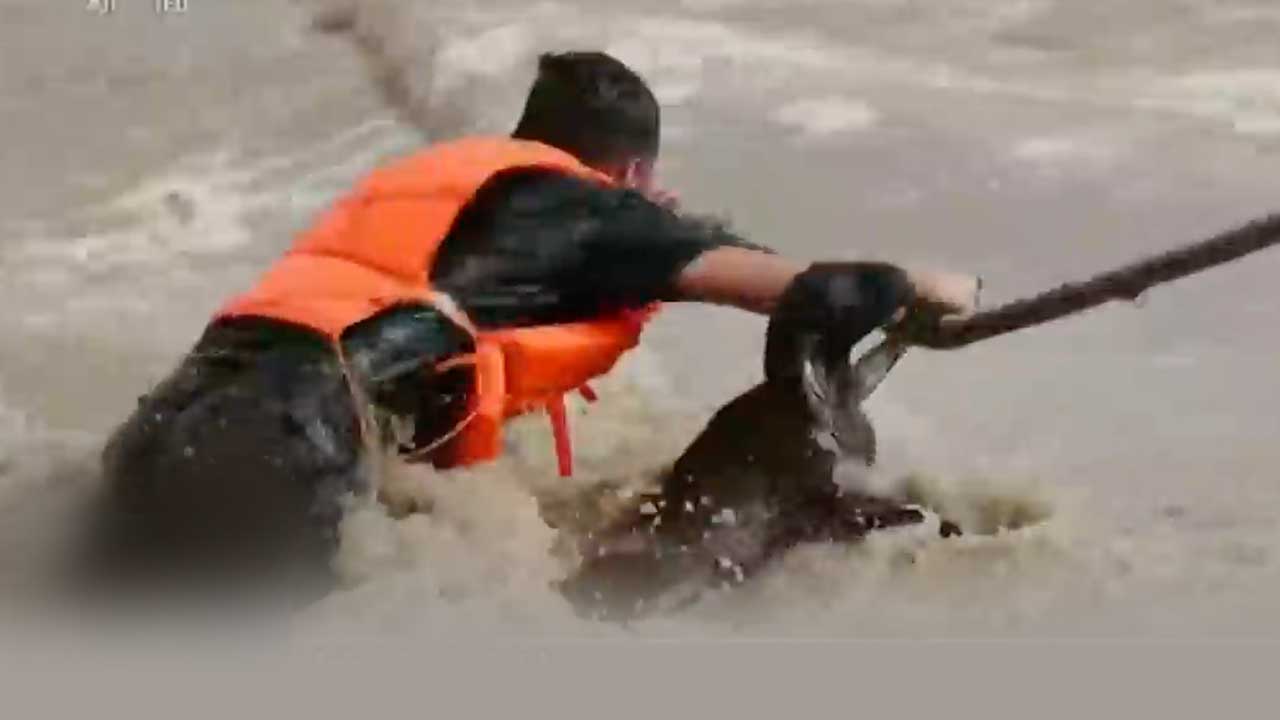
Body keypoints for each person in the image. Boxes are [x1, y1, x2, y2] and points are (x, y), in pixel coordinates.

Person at [87, 51, 978, 597]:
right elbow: (817, 293)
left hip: (174, 419)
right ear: (631, 170)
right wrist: (930, 285)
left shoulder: (442, 188)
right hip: (286, 447)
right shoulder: (598, 211)